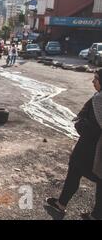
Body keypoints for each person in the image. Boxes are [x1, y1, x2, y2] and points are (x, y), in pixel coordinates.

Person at [45, 70, 102, 220]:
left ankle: (63, 204)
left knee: (76, 170)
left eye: (96, 79)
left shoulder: (99, 100)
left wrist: (80, 124)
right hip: (93, 146)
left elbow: (92, 126)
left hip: (91, 147)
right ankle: (94, 213)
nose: (93, 81)